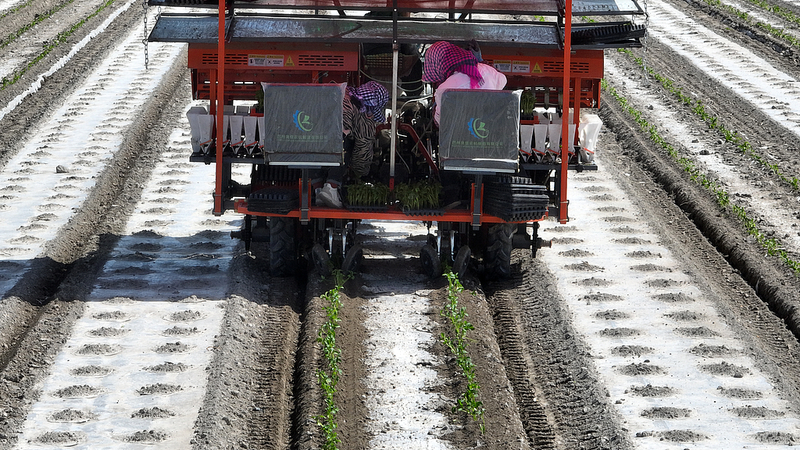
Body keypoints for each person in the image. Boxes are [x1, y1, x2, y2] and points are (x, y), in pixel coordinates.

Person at [315, 81, 390, 208]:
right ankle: (331, 188)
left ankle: (317, 190)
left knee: (308, 144)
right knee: (346, 144)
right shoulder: (363, 115)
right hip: (333, 143)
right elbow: (363, 146)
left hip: (309, 137)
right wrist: (360, 170)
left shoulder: (342, 91)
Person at [421, 41, 507, 126]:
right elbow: (503, 80)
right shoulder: (487, 70)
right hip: (489, 130)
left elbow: (440, 122)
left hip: (462, 137)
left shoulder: (444, 90)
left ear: (437, 64)